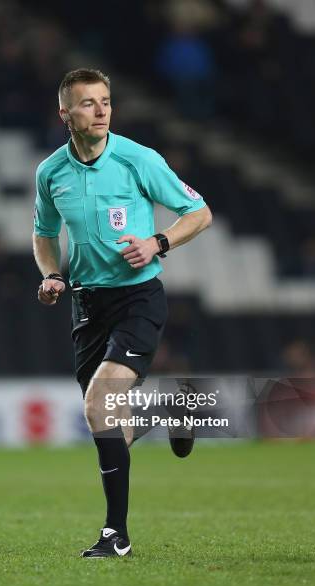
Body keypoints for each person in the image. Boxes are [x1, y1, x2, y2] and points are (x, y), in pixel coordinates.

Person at [32, 68, 212, 558]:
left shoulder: (137, 159)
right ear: (64, 114)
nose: (102, 109)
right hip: (87, 305)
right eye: (88, 103)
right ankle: (170, 409)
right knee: (110, 423)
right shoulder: (51, 172)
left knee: (99, 405)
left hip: (137, 298)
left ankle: (117, 535)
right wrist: (51, 275)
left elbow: (199, 212)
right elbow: (44, 233)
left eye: (106, 100)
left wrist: (159, 242)